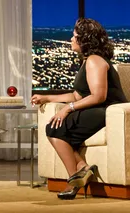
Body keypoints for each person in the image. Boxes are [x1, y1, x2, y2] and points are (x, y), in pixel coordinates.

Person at [30, 18, 127, 200]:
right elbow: (77, 95)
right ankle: (82, 169)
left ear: (85, 40)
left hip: (108, 111)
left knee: (55, 127)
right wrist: (48, 97)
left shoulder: (94, 60)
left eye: (74, 36)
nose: (70, 39)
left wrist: (67, 109)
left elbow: (99, 96)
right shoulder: (86, 61)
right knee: (56, 127)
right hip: (98, 108)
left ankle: (72, 179)